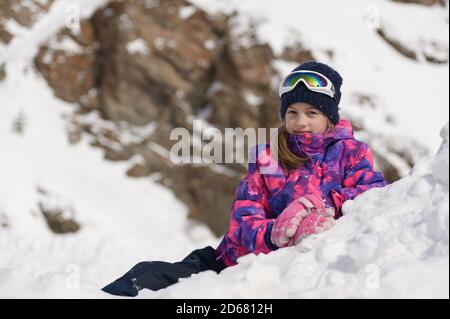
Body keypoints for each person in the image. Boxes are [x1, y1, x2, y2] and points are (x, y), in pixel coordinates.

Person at [101, 61, 387, 296]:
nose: (300, 122)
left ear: (330, 118)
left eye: (312, 113)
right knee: (146, 278)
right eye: (292, 112)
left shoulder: (352, 153)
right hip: (227, 264)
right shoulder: (270, 159)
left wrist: (317, 208)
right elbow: (242, 223)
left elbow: (374, 193)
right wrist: (277, 233)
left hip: (280, 274)